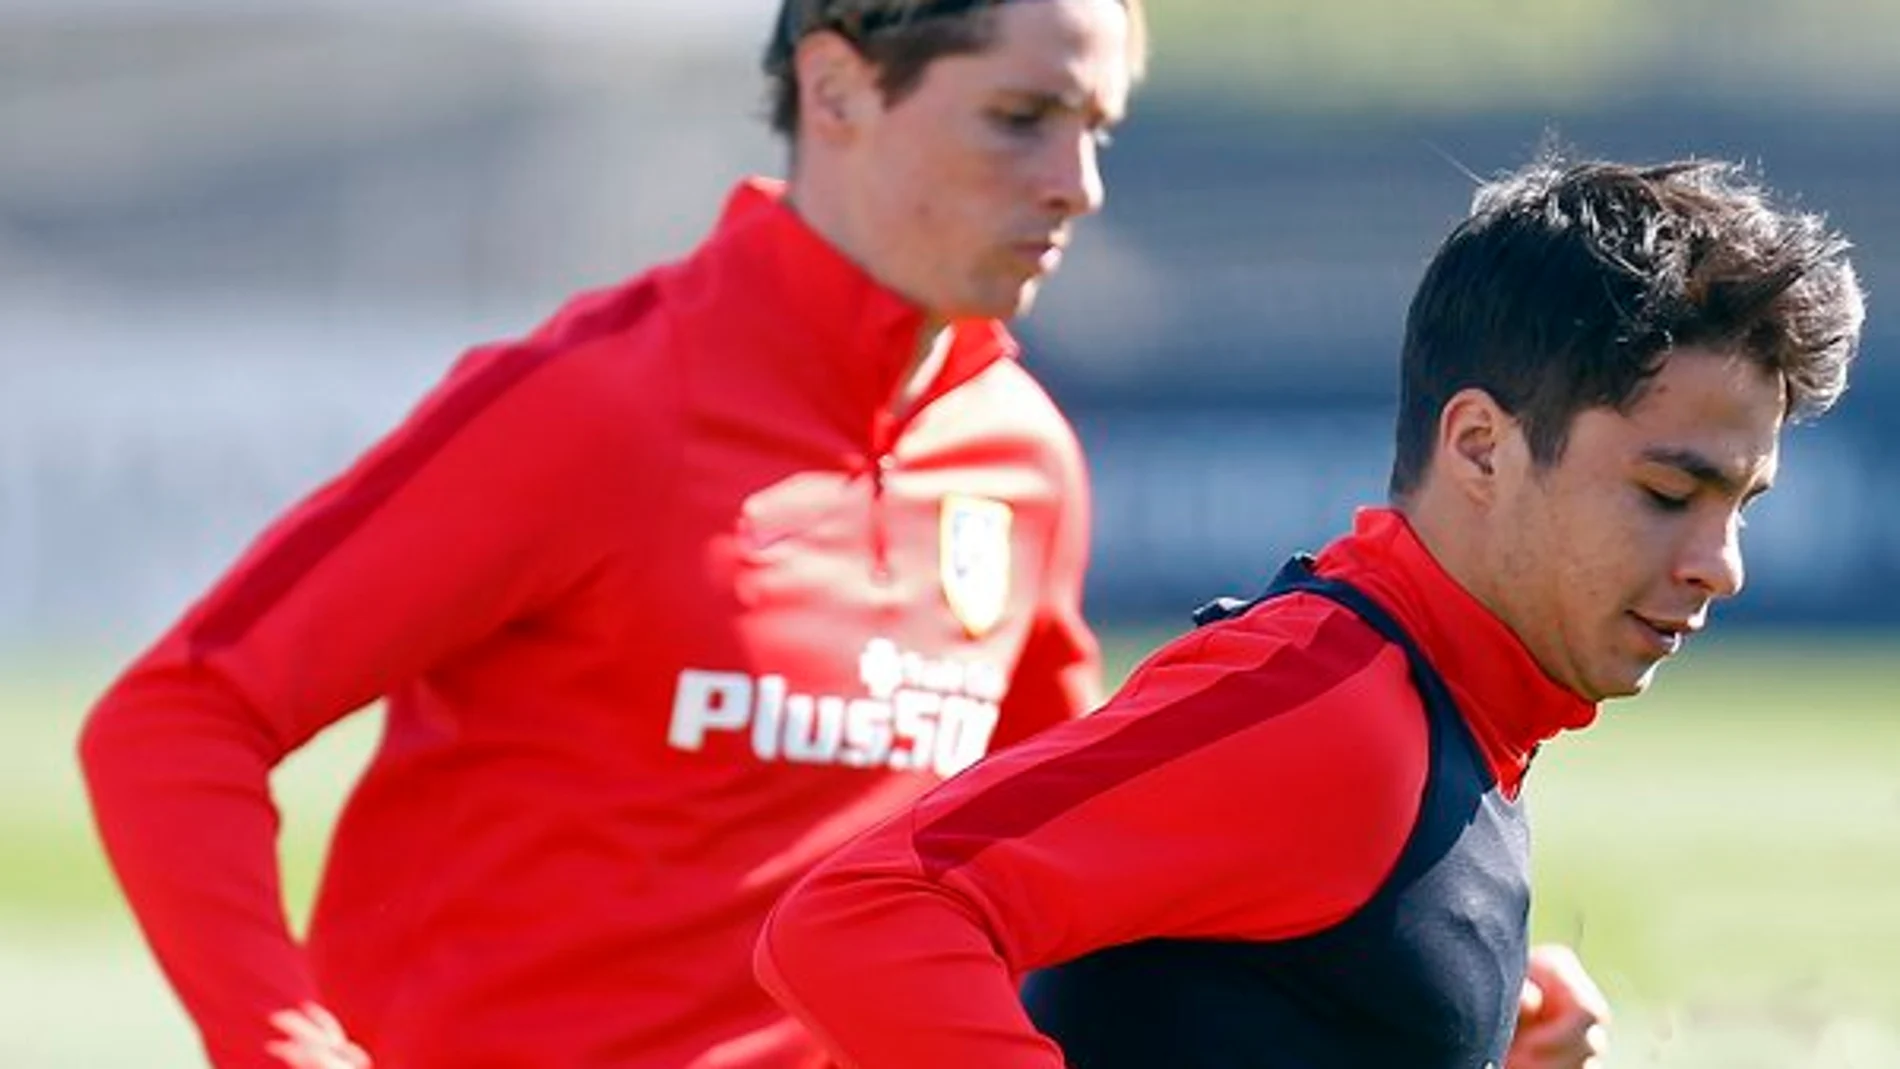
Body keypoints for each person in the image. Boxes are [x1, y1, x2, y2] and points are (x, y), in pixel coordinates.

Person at [79, 1, 1144, 1066]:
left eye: (1096, 128)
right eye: (1019, 117)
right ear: (836, 91)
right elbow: (178, 718)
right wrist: (283, 1048)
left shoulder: (1021, 458)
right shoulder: (593, 403)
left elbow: (1031, 866)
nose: (1076, 183)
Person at [754, 153, 1865, 1068]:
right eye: (1668, 494)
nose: (1719, 564)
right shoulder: (1326, 707)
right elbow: (860, 915)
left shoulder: (1451, 713)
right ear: (1480, 445)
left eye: (1740, 505)